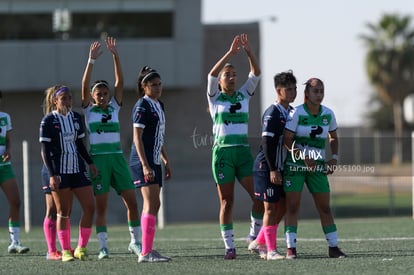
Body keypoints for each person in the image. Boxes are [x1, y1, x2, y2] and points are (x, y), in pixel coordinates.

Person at [81, 37, 141, 260]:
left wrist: (116, 55)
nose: (104, 96)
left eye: (106, 93)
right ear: (93, 97)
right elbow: (85, 85)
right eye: (99, 94)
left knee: (132, 201)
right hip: (98, 160)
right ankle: (103, 246)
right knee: (102, 206)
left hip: (117, 158)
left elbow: (120, 82)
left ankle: (135, 242)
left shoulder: (114, 107)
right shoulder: (89, 110)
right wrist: (91, 61)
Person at [206, 34, 264, 260]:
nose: (231, 77)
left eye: (234, 74)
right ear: (220, 81)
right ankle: (230, 246)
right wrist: (230, 53)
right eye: (227, 75)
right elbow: (210, 74)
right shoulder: (214, 98)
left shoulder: (243, 95)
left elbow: (256, 74)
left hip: (242, 153)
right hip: (222, 154)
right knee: (227, 201)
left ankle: (253, 236)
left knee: (259, 196)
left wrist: (249, 52)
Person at [282, 77, 346, 259]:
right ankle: (291, 248)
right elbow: (287, 139)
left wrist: (334, 158)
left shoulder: (328, 114)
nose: (319, 95)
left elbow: (333, 137)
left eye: (321, 91)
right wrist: (302, 157)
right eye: (315, 91)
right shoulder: (296, 113)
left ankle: (333, 247)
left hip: (317, 167)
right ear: (306, 94)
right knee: (293, 206)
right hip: (295, 166)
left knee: (325, 207)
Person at [39, 85, 97, 262]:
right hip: (59, 171)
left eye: (70, 97)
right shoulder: (48, 121)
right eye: (63, 98)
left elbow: (80, 145)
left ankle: (81, 248)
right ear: (55, 101)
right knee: (62, 211)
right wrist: (52, 174)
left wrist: (90, 163)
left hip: (77, 169)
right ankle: (62, 250)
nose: (68, 101)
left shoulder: (77, 118)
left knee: (90, 207)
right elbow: (45, 150)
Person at [248, 71, 297, 260]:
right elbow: (266, 144)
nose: (292, 92)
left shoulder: (291, 112)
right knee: (270, 209)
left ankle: (259, 241)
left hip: (281, 168)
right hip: (266, 167)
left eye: (294, 88)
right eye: (288, 89)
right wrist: (273, 169)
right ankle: (271, 250)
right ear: (279, 90)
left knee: (283, 206)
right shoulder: (272, 113)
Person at [130, 66, 172, 263]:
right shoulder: (142, 106)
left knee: (155, 203)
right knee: (151, 203)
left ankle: (148, 249)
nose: (157, 88)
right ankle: (145, 253)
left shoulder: (159, 105)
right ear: (144, 87)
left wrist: (165, 159)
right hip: (142, 161)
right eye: (153, 85)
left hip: (155, 160)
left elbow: (158, 136)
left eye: (159, 84)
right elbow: (137, 138)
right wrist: (145, 165)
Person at [0, 91, 30, 254]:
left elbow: (8, 140)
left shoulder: (5, 117)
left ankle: (14, 241)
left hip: (4, 166)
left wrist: (9, 151)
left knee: (16, 201)